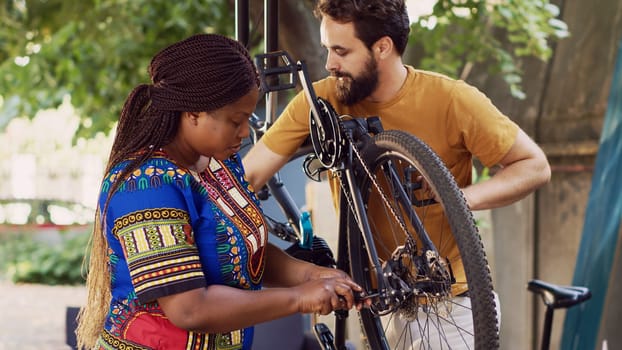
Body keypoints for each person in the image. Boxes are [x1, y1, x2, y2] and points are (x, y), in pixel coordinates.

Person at [243, 0, 552, 348]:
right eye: (327, 49)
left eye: (341, 51)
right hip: (377, 303)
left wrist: (458, 197)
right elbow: (247, 178)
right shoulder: (321, 100)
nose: (330, 64)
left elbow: (535, 166)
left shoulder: (451, 99)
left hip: (451, 306)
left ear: (383, 47)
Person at [75, 33, 364, 350]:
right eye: (236, 120)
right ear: (193, 112)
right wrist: (299, 299)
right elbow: (190, 308)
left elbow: (242, 254)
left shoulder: (218, 165)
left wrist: (311, 275)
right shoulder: (145, 186)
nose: (244, 132)